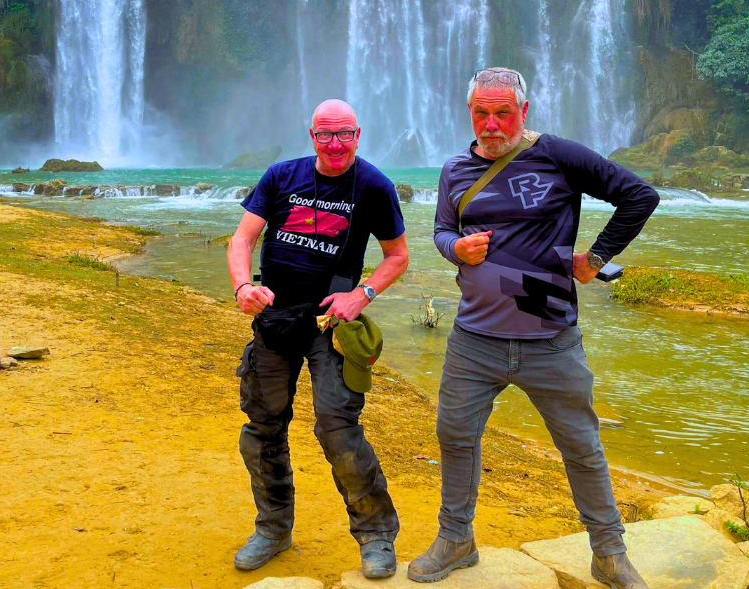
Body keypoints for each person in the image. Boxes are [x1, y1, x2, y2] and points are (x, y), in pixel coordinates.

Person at [408, 68, 659, 587]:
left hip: (551, 338)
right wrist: (454, 248)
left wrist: (597, 257)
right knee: (455, 436)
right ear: (470, 113)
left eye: (503, 112)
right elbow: (440, 229)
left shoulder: (559, 156)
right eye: (482, 112)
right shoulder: (455, 169)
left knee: (581, 447)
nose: (492, 123)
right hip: (474, 338)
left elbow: (639, 196)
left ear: (524, 111)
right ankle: (456, 540)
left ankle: (609, 553)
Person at [227, 98, 410, 578]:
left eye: (344, 134)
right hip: (276, 317)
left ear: (358, 134)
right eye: (325, 134)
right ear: (311, 136)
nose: (335, 144)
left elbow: (397, 256)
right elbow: (242, 239)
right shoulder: (280, 176)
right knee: (262, 424)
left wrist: (362, 294)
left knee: (337, 424)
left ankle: (376, 536)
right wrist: (243, 286)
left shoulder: (374, 185)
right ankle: (272, 529)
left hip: (332, 322)